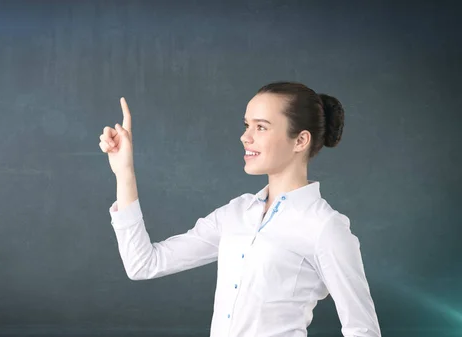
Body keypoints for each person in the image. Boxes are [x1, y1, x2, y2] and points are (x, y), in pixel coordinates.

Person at [98, 81, 381, 337]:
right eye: (246, 125)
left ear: (300, 140)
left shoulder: (324, 227)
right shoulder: (237, 213)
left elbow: (363, 330)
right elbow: (143, 264)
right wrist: (124, 173)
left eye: (261, 127)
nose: (246, 137)